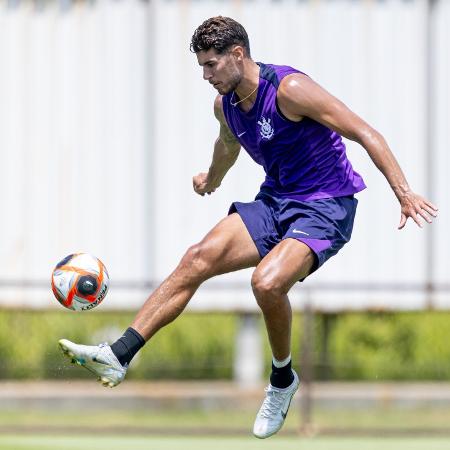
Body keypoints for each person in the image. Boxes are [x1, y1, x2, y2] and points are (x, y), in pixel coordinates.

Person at [59, 16, 438, 439]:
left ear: (237, 55)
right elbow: (228, 143)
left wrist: (403, 193)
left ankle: (281, 380)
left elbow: (365, 132)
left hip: (325, 207)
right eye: (201, 66)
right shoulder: (225, 104)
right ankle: (118, 354)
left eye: (211, 65)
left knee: (266, 283)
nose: (205, 75)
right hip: (275, 201)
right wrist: (211, 179)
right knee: (197, 258)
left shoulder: (289, 90)